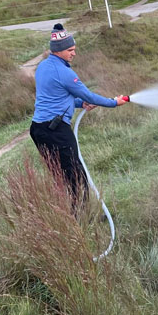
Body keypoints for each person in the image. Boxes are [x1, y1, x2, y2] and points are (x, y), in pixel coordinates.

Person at [30, 24, 128, 203]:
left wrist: (80, 104)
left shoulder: (43, 66)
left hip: (38, 130)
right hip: (56, 131)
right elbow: (89, 95)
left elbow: (56, 98)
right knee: (76, 176)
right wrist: (114, 103)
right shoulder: (65, 73)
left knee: (61, 176)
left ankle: (70, 215)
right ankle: (81, 218)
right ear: (58, 51)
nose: (74, 53)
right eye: (70, 50)